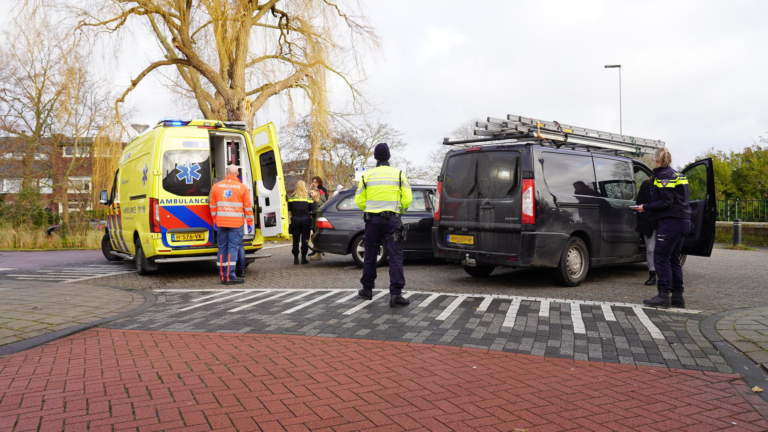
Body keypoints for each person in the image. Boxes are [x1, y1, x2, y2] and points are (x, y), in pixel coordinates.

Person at [632, 148, 692, 308]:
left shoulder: (662, 176)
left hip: (671, 222)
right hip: (684, 221)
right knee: (673, 259)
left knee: (660, 257)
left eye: (654, 160)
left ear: (656, 160)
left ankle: (663, 295)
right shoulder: (679, 175)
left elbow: (667, 202)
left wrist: (645, 207)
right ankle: (678, 297)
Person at [355, 142, 413, 308]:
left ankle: (367, 290)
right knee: (395, 256)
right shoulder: (399, 173)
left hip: (372, 220)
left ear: (375, 158)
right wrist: (399, 210)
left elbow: (359, 199)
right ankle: (395, 295)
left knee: (370, 254)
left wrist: (370, 209)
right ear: (388, 157)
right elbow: (407, 198)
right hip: (392, 221)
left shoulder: (367, 175)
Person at [210, 165, 254, 285]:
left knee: (222, 248)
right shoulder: (242, 188)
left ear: (226, 173)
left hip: (221, 223)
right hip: (236, 224)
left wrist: (215, 220)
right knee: (232, 249)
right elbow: (248, 208)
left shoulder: (216, 187)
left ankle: (222, 276)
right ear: (237, 174)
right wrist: (249, 223)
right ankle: (230, 276)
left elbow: (212, 206)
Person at [635, 176, 658, 286]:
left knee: (664, 250)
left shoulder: (667, 184)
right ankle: (652, 275)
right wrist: (643, 217)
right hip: (649, 222)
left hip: (663, 222)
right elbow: (639, 203)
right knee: (650, 250)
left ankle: (665, 275)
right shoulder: (646, 184)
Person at [287, 180, 314, 265]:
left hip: (295, 219)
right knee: (305, 239)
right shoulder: (308, 197)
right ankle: (303, 257)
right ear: (304, 186)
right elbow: (312, 208)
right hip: (305, 219)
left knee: (295, 239)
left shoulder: (292, 197)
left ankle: (295, 258)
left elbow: (289, 208)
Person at [308, 188, 327, 261]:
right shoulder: (319, 200)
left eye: (312, 193)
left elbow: (318, 210)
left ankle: (318, 254)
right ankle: (318, 253)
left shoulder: (317, 201)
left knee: (316, 238)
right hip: (316, 222)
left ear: (316, 193)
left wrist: (311, 212)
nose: (311, 194)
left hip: (316, 222)